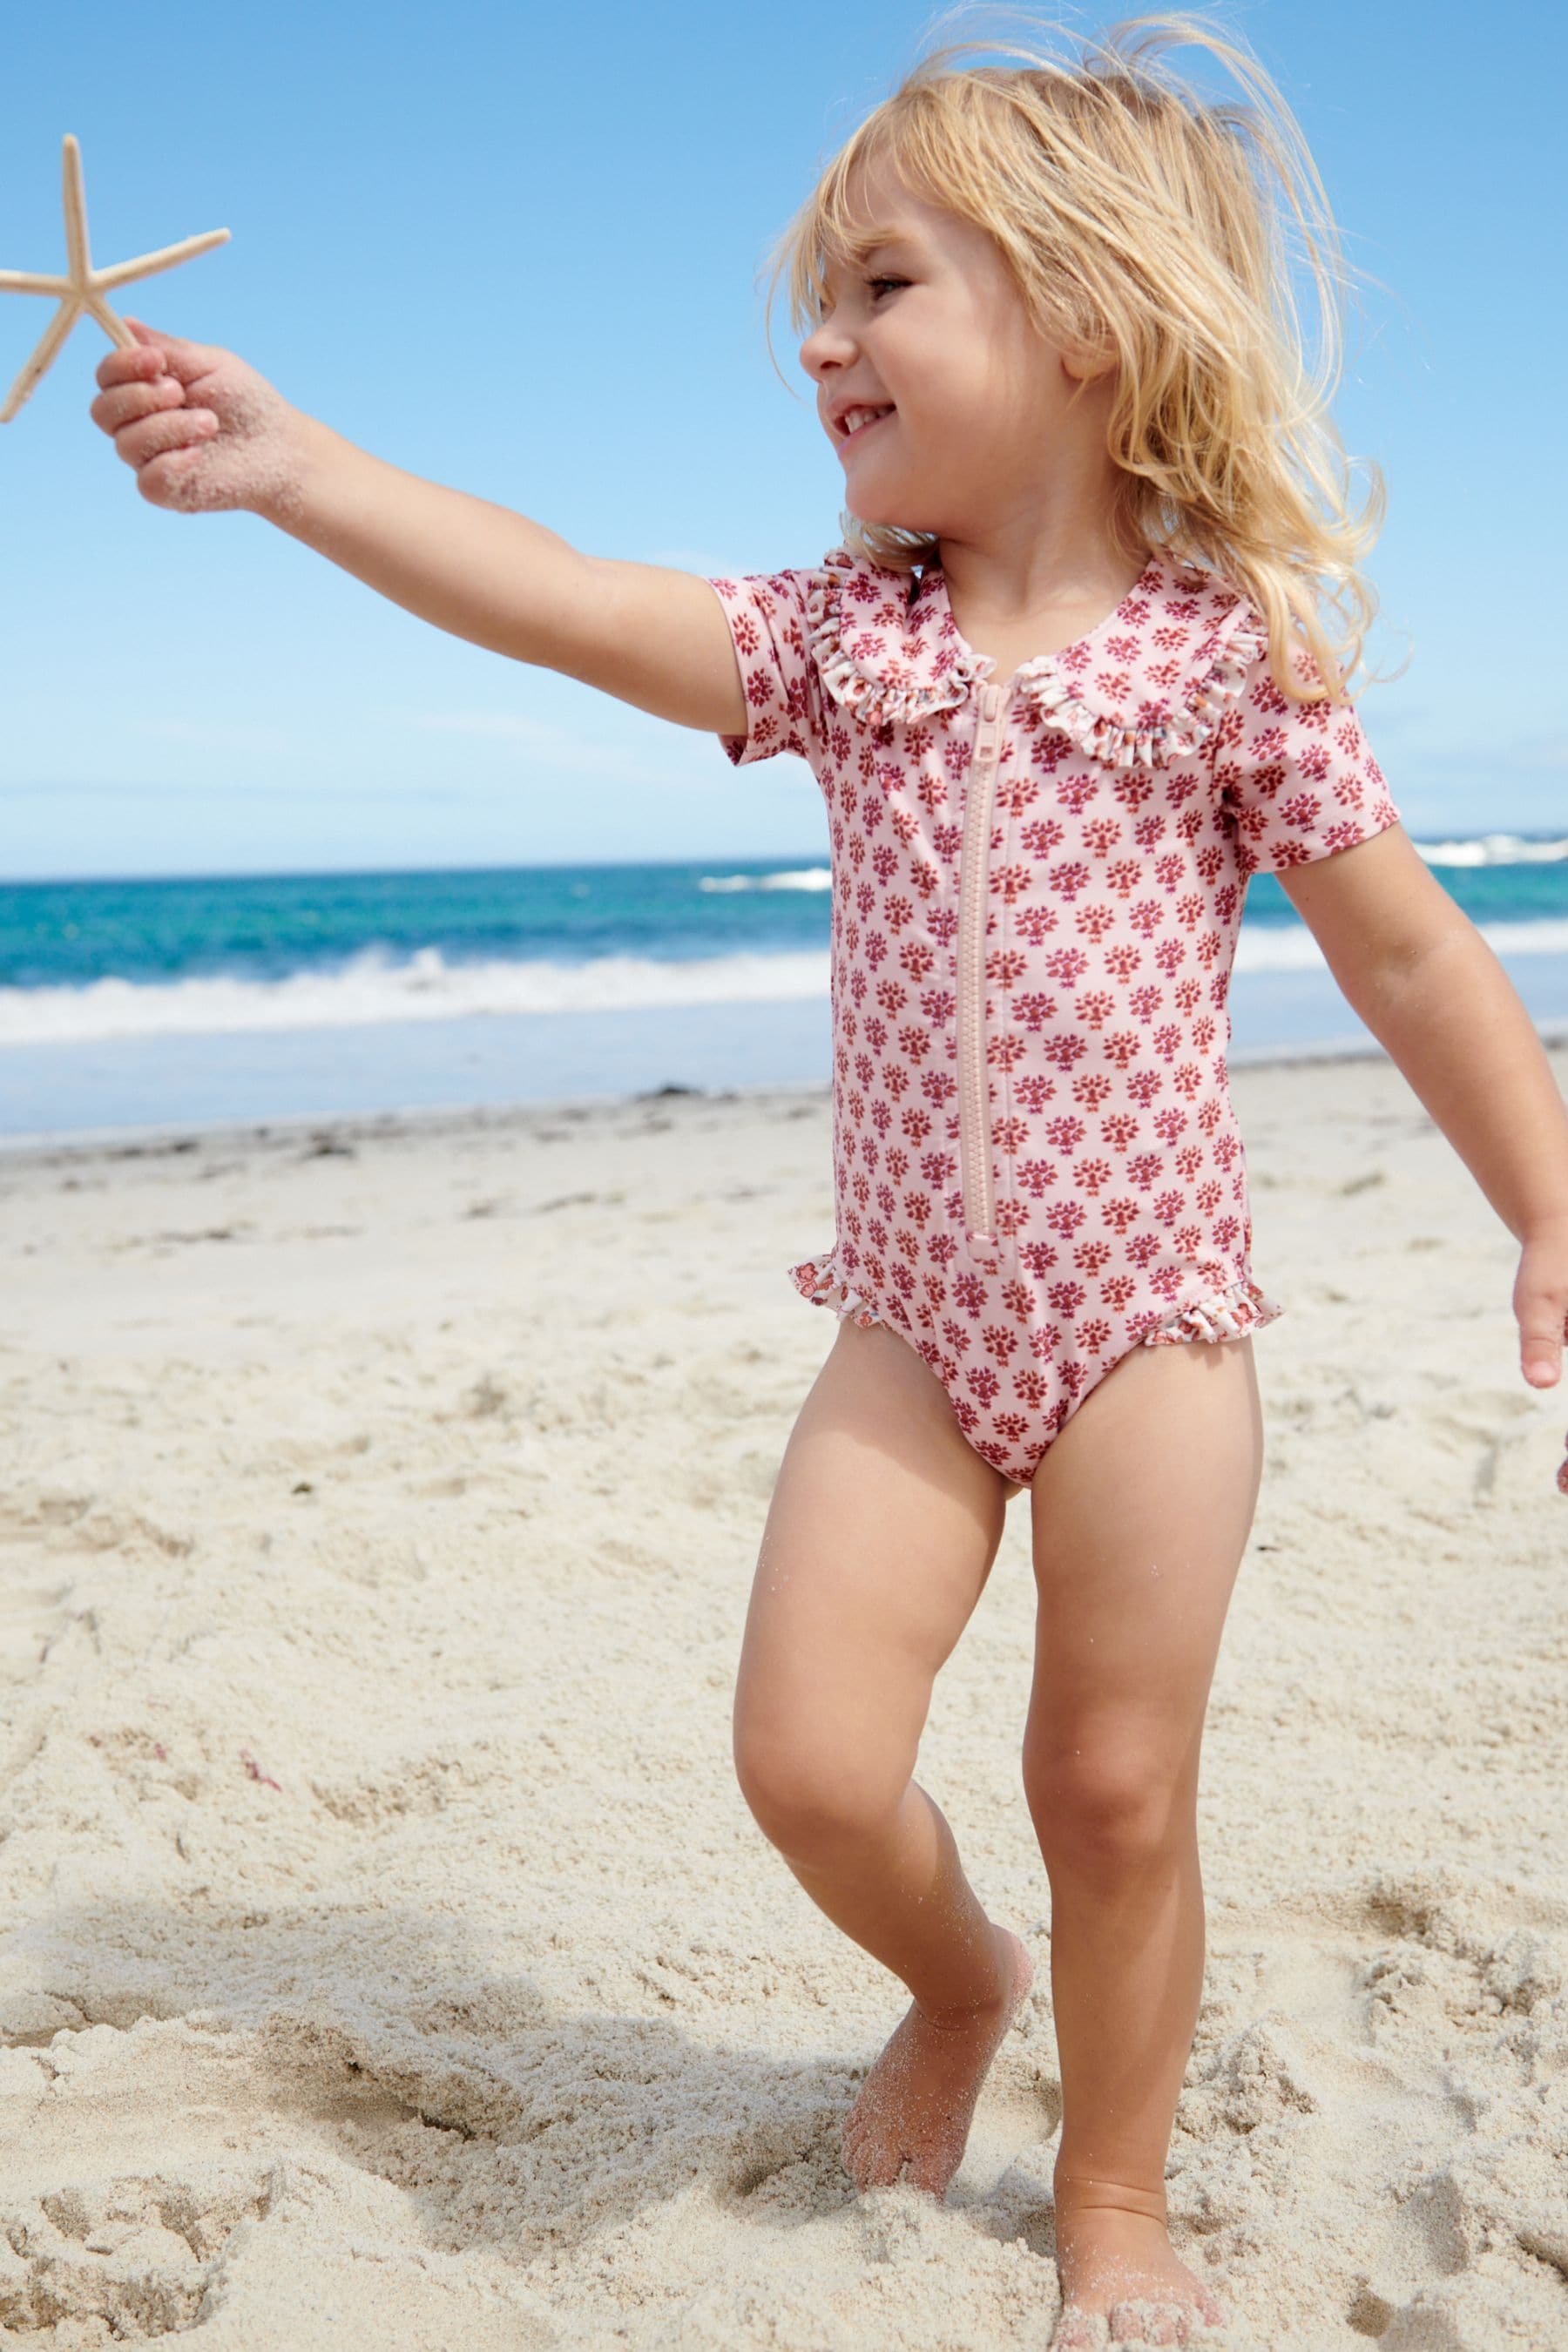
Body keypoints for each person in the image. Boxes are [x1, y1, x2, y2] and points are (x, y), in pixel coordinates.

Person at [87, 13, 1568, 2344]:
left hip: (1152, 1327)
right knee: (804, 1760)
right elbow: (561, 593)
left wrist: (1548, 1196)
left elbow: (1407, 951)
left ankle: (1115, 2199)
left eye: (882, 285)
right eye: (826, 293)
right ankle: (960, 1976)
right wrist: (299, 466)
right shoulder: (846, 644)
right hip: (910, 1318)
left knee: (1112, 1782)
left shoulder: (1225, 664)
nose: (821, 337)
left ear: (1088, 319)